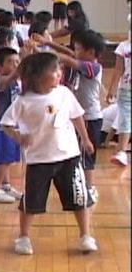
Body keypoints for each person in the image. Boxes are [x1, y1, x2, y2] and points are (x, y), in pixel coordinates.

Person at [0, 52, 97, 254]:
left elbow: (77, 116)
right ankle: (24, 237)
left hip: (68, 157)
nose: (59, 73)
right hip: (38, 160)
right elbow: (6, 124)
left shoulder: (64, 93)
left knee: (79, 198)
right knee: (31, 202)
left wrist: (86, 139)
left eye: (59, 70)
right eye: (55, 70)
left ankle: (86, 235)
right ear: (39, 76)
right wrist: (20, 138)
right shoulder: (24, 101)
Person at [33, 30, 105, 200]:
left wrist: (41, 53)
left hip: (89, 118)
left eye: (79, 49)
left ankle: (90, 187)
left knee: (87, 155)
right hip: (79, 116)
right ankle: (81, 185)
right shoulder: (83, 59)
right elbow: (68, 54)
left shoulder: (94, 67)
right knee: (79, 153)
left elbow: (67, 58)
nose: (76, 51)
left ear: (91, 53)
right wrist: (48, 43)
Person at [0, 47, 22, 203]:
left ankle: (5, 186)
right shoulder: (0, 80)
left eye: (17, 61)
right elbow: (11, 78)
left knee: (9, 159)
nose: (15, 64)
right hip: (2, 127)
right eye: (10, 62)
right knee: (3, 160)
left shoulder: (18, 81)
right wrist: (23, 65)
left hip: (15, 126)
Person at [107, 27, 131, 166]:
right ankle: (122, 151)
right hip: (126, 89)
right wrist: (112, 89)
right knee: (125, 119)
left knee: (125, 119)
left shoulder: (124, 46)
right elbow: (118, 69)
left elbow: (118, 70)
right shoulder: (123, 47)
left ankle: (122, 150)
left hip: (125, 89)